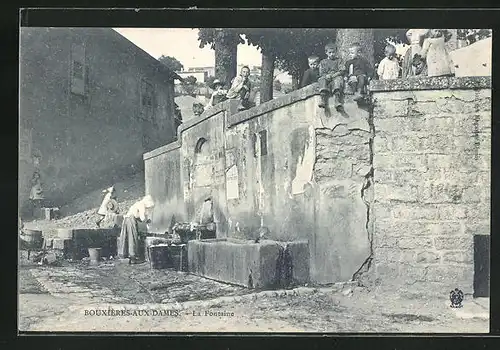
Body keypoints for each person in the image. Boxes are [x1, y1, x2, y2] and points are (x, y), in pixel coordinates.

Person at [118, 195, 155, 264]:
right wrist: (147, 221)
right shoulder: (142, 205)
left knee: (126, 237)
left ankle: (124, 255)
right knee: (132, 237)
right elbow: (142, 217)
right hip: (130, 220)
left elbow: (138, 216)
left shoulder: (138, 204)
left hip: (126, 219)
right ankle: (133, 257)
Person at [318, 43, 345, 110]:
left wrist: (334, 75)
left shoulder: (339, 60)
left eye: (333, 52)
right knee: (322, 79)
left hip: (336, 76)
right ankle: (323, 99)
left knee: (338, 80)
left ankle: (337, 100)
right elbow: (321, 72)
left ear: (336, 52)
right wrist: (326, 75)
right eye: (330, 52)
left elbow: (342, 70)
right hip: (327, 77)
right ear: (326, 52)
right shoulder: (323, 62)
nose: (332, 54)